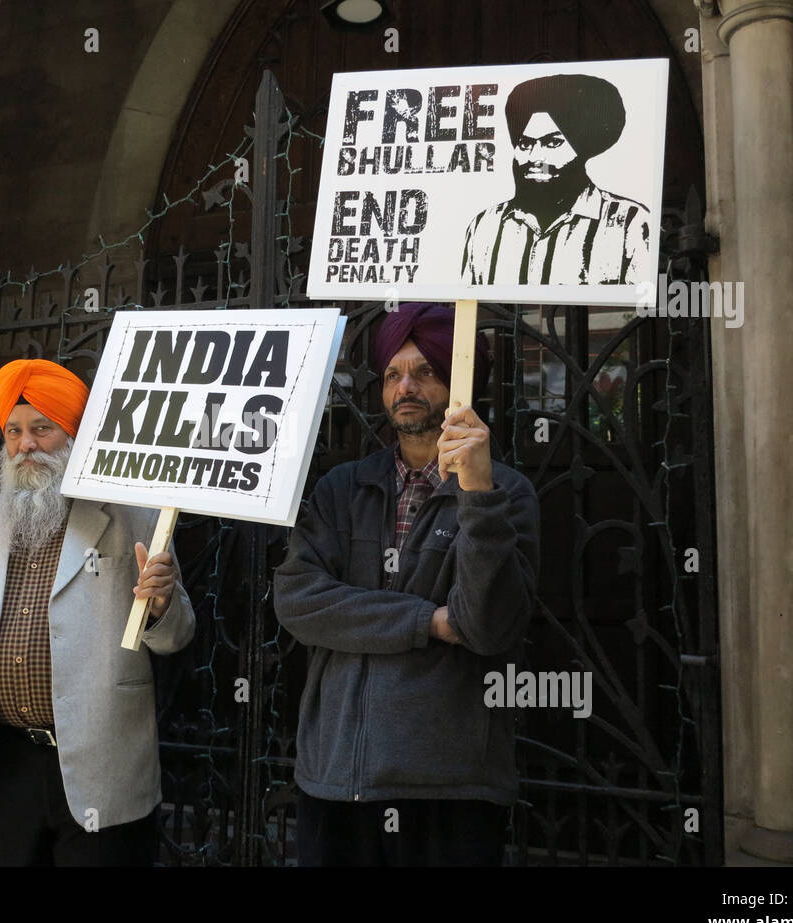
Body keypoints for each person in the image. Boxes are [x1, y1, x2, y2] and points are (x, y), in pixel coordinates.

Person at [273, 302, 540, 866]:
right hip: (337, 778)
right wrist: (428, 621)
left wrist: (478, 493)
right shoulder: (343, 488)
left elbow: (489, 627)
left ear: (458, 382)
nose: (407, 386)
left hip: (449, 787)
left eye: (426, 371)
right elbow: (297, 600)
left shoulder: (507, 493)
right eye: (394, 374)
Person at [0, 358, 196, 866]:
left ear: (73, 434)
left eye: (41, 429)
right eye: (13, 431)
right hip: (1, 764)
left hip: (102, 760)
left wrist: (162, 603)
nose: (25, 445)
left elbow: (175, 637)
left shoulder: (132, 512)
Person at [460, 73, 649, 286]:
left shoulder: (630, 224)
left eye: (552, 143)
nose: (535, 157)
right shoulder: (485, 225)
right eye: (525, 144)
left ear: (582, 148)